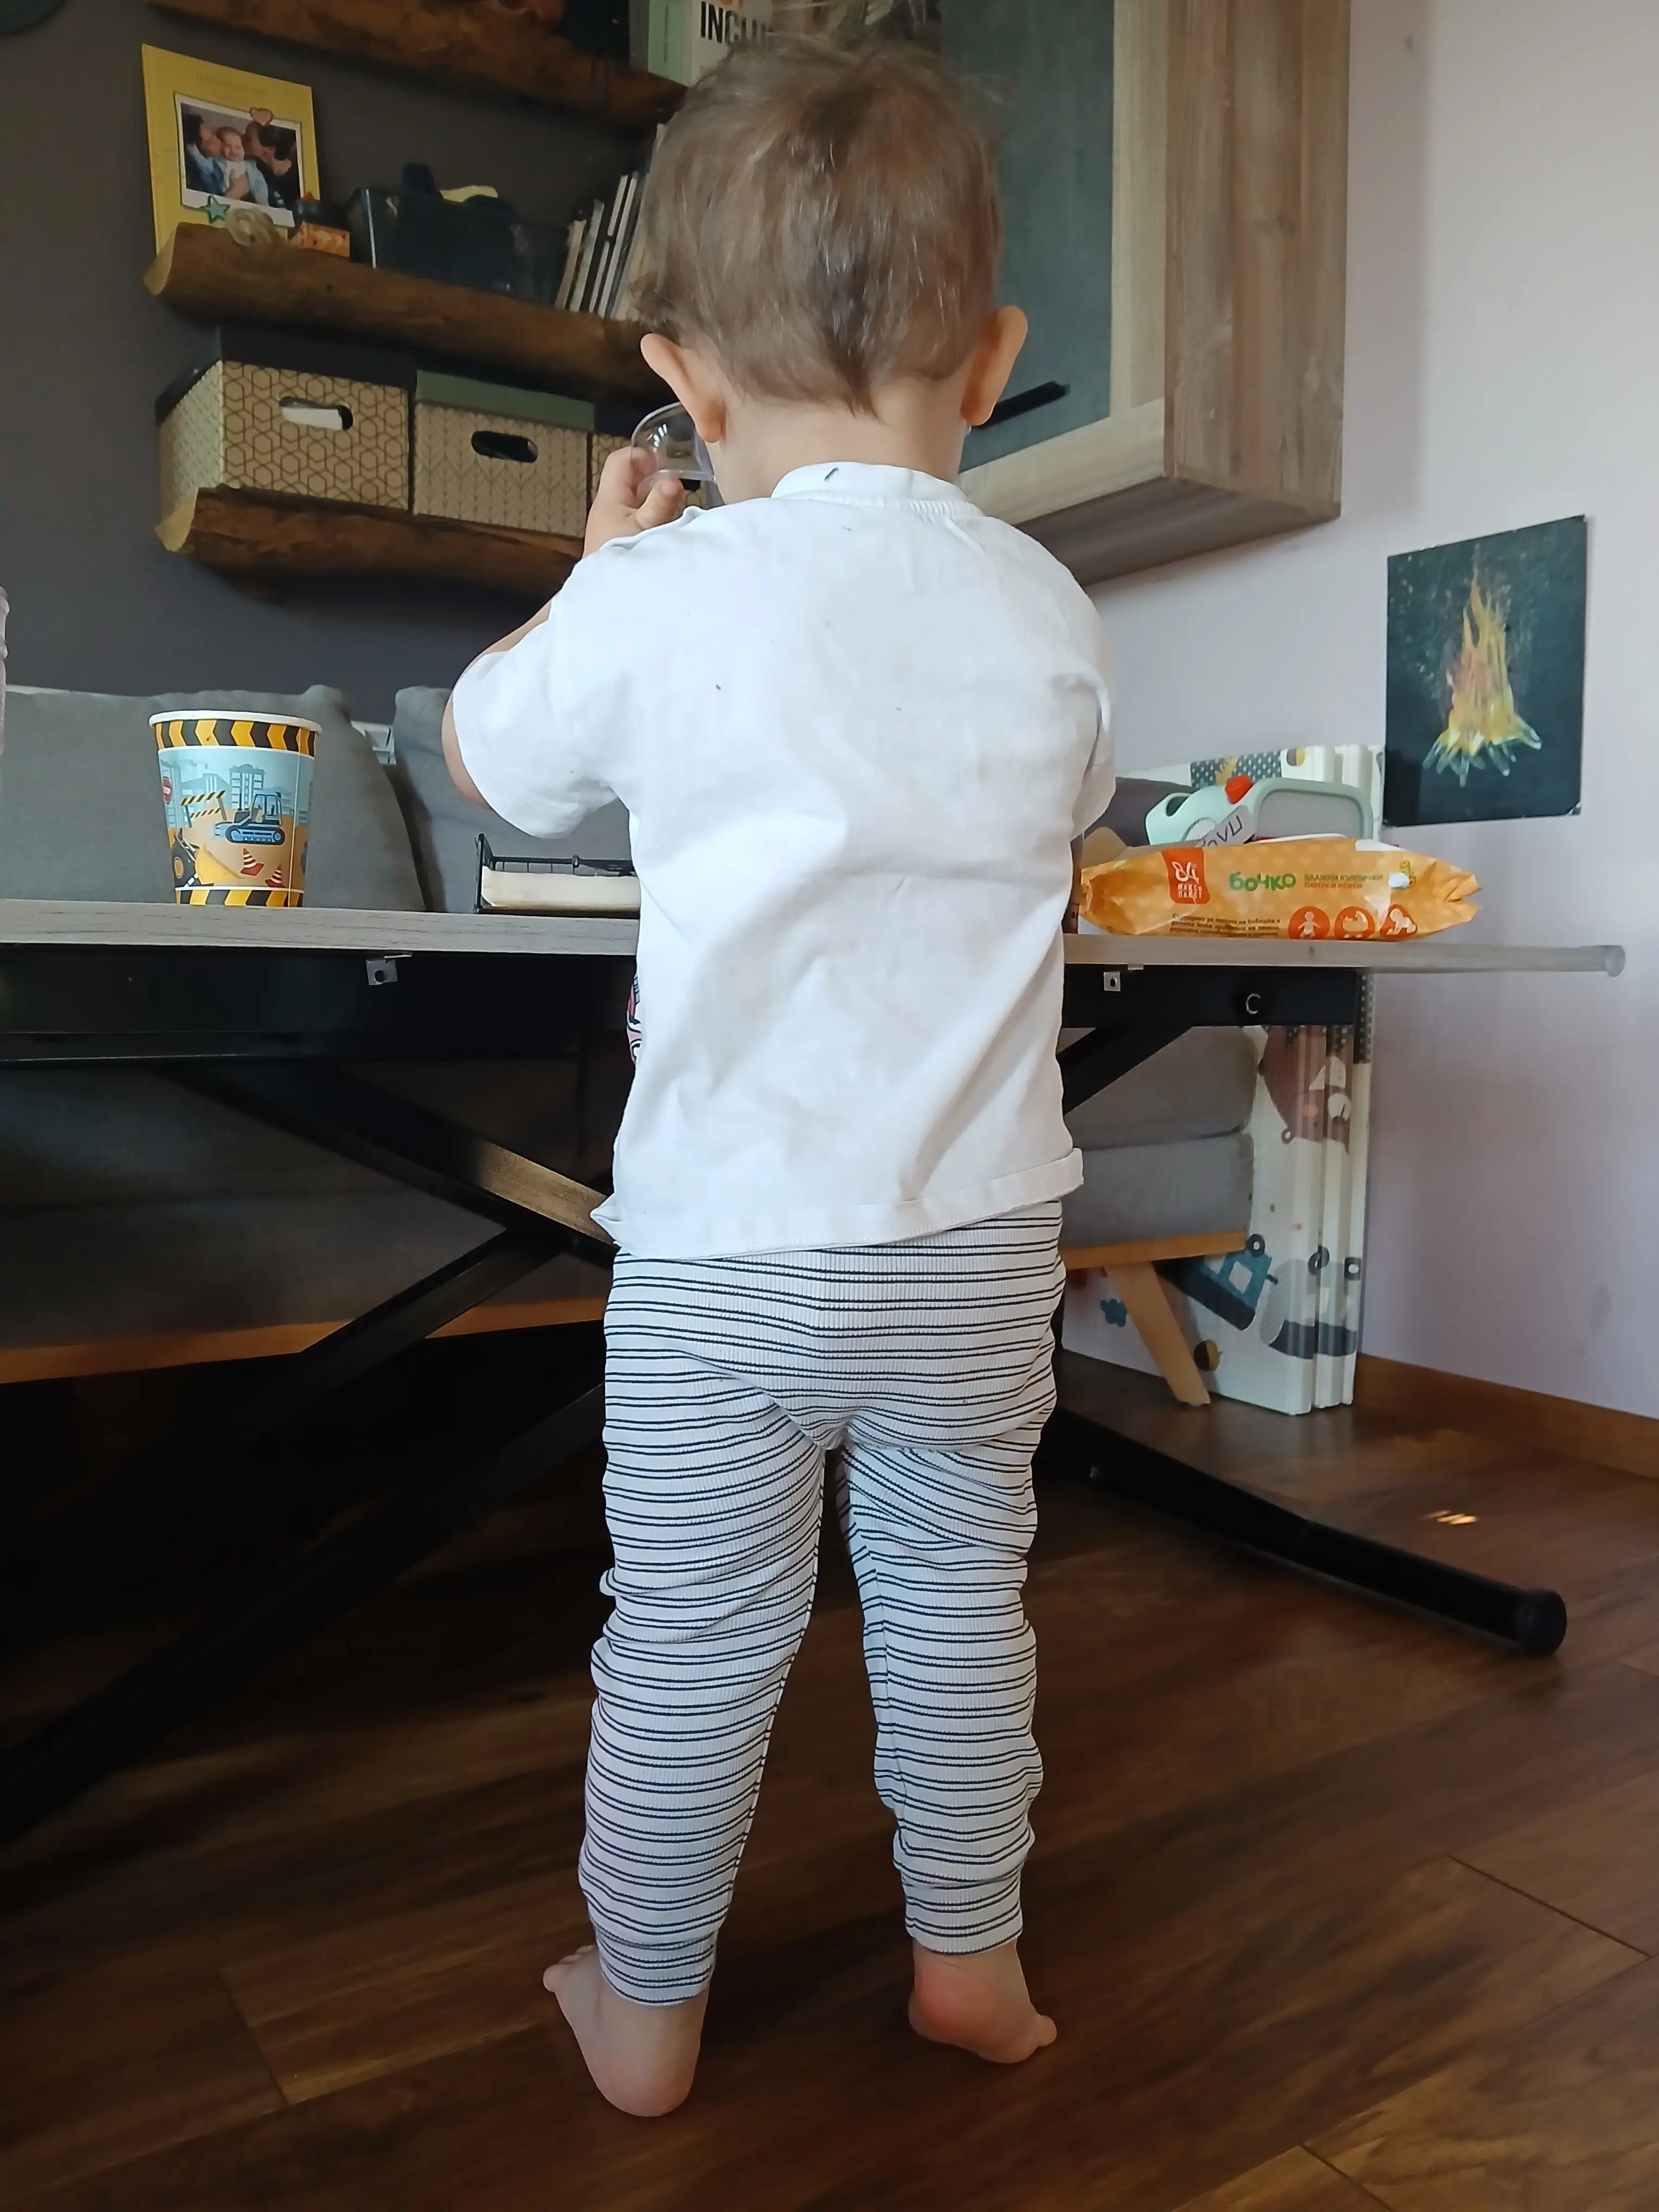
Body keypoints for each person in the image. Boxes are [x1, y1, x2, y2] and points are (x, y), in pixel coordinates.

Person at [442, 35, 1114, 2119]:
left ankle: (645, 2013)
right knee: (957, 1605)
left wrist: (598, 568)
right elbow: (1073, 803)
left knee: (692, 1635)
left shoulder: (661, 591)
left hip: (727, 1256)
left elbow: (490, 761)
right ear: (991, 360)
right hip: (976, 1246)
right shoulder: (1048, 605)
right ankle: (971, 1967)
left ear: (685, 381)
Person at [214, 125, 269, 205]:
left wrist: (263, 202)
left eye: (238, 147)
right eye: (228, 146)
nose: (233, 151)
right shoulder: (217, 162)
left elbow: (259, 184)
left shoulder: (250, 167)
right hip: (224, 197)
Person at [182, 114, 224, 196]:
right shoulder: (200, 175)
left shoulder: (214, 165)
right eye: (210, 142)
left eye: (213, 134)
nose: (218, 142)